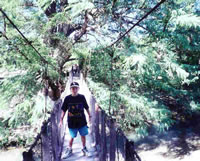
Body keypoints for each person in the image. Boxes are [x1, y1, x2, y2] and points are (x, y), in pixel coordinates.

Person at [59, 82, 92, 159]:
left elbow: (86, 107)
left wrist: (90, 116)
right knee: (72, 136)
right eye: (73, 88)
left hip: (82, 121)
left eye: (76, 88)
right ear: (70, 89)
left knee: (83, 135)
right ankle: (69, 149)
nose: (74, 89)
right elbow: (63, 110)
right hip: (72, 122)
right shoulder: (67, 98)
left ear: (78, 89)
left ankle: (84, 148)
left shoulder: (82, 97)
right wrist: (61, 120)